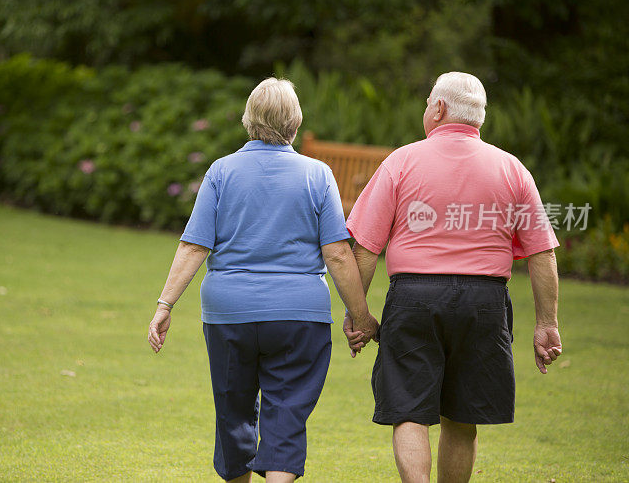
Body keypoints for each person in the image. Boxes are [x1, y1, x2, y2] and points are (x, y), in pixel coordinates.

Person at [147, 77, 379, 483]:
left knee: (233, 408)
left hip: (228, 315)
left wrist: (165, 305)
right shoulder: (318, 175)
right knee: (286, 411)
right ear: (295, 121)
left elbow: (193, 247)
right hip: (299, 316)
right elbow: (338, 253)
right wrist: (360, 317)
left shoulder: (221, 172)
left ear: (248, 119)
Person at [344, 72, 562, 483]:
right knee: (462, 418)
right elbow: (541, 253)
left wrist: (359, 314)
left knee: (408, 410)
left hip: (413, 297)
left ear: (439, 109)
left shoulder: (402, 161)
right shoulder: (512, 169)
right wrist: (547, 324)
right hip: (485, 302)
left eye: (428, 102)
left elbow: (366, 248)